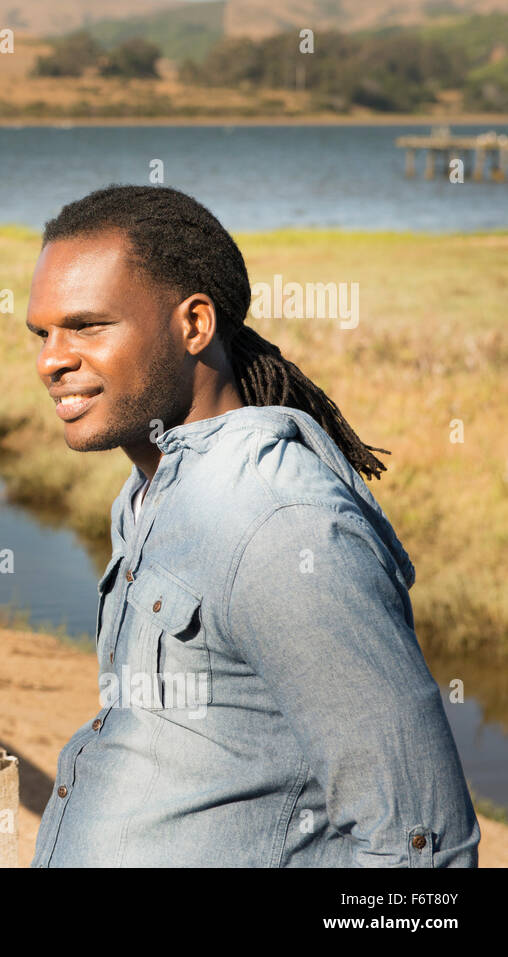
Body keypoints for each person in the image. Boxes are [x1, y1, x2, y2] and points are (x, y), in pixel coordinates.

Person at [26, 185, 478, 867]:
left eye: (87, 326)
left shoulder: (279, 521)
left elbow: (420, 846)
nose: (50, 360)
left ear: (195, 324)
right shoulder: (149, 495)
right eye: (42, 332)